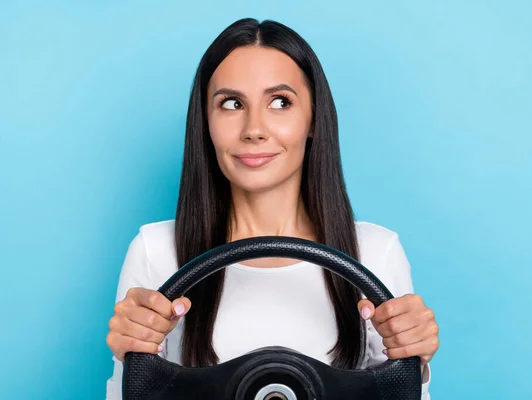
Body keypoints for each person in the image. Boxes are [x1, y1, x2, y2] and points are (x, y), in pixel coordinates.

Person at [105, 18, 439, 399]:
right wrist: (130, 358)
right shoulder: (156, 251)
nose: (254, 129)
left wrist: (416, 364)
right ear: (205, 122)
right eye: (231, 104)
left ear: (313, 118)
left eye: (280, 102)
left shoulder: (376, 253)